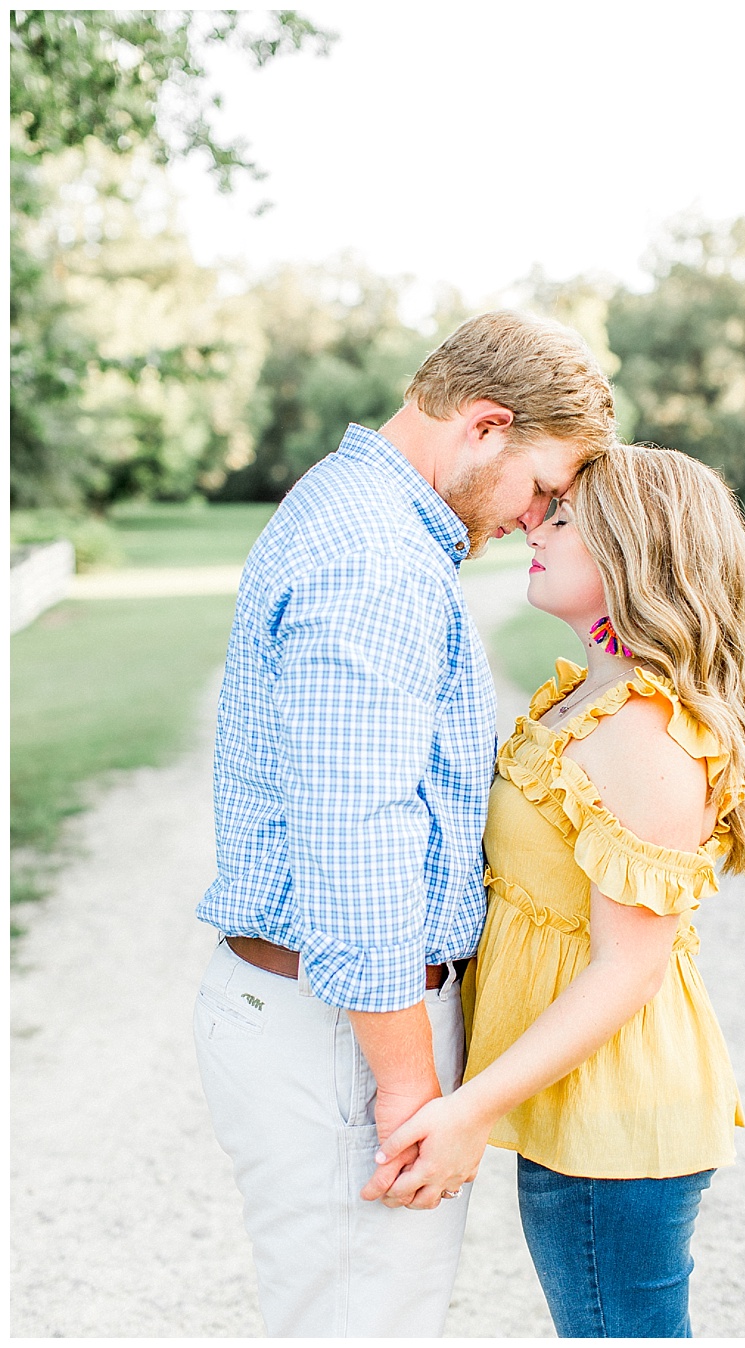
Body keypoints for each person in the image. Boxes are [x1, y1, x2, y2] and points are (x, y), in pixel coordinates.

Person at [192, 311, 617, 1336]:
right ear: (487, 425)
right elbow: (359, 832)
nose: (536, 517)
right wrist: (408, 1085)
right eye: (542, 486)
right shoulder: (378, 558)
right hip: (345, 1035)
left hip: (329, 1018)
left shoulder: (353, 509)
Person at [359, 443, 745, 1338]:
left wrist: (469, 1111)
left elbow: (629, 969)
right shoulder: (588, 699)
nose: (531, 526)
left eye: (561, 518)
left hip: (612, 1112)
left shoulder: (646, 735)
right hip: (573, 1095)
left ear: (633, 550)